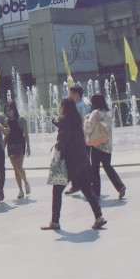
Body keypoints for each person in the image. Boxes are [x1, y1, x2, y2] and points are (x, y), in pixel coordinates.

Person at [41, 97, 106, 231]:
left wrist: (58, 149)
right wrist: (56, 121)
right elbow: (62, 124)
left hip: (69, 162)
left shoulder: (65, 121)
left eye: (60, 106)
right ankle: (99, 217)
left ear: (64, 108)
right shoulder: (76, 120)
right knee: (86, 189)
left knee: (57, 191)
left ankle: (55, 222)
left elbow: (64, 139)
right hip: (82, 160)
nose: (59, 108)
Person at [85, 94, 125, 200]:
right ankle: (120, 186)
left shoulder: (95, 113)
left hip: (97, 145)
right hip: (107, 145)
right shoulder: (108, 113)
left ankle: (96, 191)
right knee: (107, 167)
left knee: (95, 169)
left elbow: (88, 128)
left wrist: (86, 119)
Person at [64, 84, 89, 195]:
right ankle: (85, 184)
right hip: (85, 136)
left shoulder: (76, 107)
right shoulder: (86, 104)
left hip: (76, 137)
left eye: (70, 94)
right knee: (84, 161)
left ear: (76, 95)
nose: (68, 96)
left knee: (73, 161)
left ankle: (77, 184)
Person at [4, 102, 31, 198]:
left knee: (19, 166)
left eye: (9, 110)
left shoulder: (21, 119)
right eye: (6, 111)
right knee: (15, 169)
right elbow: (6, 136)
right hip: (10, 145)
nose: (8, 112)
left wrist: (28, 146)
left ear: (14, 109)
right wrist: (3, 147)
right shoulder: (6, 121)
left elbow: (26, 134)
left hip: (20, 144)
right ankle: (20, 190)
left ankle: (26, 183)